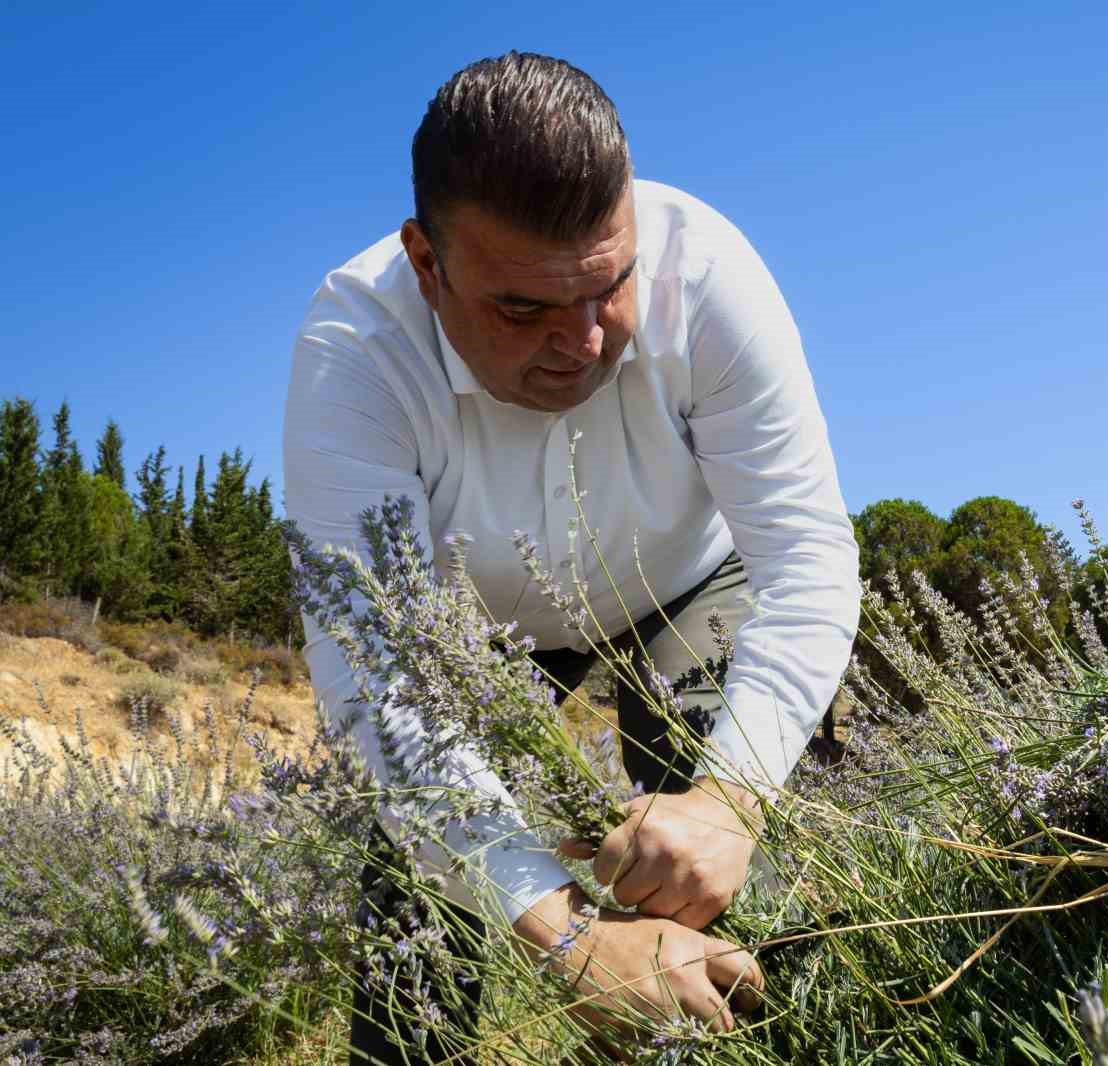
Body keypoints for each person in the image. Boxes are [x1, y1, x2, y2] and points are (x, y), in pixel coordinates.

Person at [281, 51, 860, 1064]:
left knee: (719, 824)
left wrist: (729, 800)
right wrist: (569, 938)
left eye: (609, 285)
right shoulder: (353, 352)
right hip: (466, 639)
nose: (583, 341)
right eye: (523, 309)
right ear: (426, 263)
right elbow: (378, 681)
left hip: (685, 583)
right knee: (418, 886)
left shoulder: (710, 271)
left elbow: (806, 561)